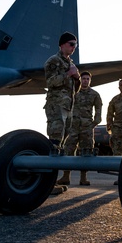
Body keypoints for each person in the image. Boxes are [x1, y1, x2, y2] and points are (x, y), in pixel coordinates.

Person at [43, 31, 79, 160]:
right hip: (56, 105)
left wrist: (77, 78)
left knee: (64, 137)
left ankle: (55, 172)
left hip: (68, 106)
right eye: (71, 44)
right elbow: (50, 82)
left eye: (75, 45)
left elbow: (75, 89)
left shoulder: (71, 64)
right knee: (55, 138)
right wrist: (69, 74)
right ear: (62, 45)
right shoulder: (54, 60)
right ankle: (48, 170)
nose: (74, 47)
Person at [65, 71, 102, 185]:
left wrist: (92, 124)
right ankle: (66, 177)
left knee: (86, 152)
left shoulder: (94, 94)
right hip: (73, 127)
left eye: (87, 79)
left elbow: (98, 112)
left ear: (90, 80)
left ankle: (83, 178)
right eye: (83, 78)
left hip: (86, 128)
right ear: (80, 79)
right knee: (68, 150)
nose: (85, 81)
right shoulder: (73, 92)